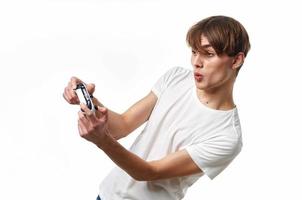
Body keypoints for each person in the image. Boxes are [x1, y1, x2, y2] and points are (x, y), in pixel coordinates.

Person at [63, 15, 250, 200]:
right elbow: (122, 125)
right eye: (194, 52)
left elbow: (149, 172)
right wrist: (88, 99)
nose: (196, 62)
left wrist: (101, 140)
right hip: (106, 195)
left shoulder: (227, 136)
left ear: (236, 61)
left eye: (208, 54)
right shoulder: (176, 78)